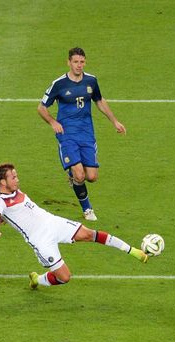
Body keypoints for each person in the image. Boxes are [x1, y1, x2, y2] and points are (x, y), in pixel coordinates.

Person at [0, 163, 147, 289]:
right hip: (40, 239)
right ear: (3, 182)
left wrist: (6, 219)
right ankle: (37, 279)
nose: (17, 180)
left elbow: (13, 212)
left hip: (52, 222)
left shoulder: (14, 190)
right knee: (64, 277)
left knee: (88, 234)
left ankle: (133, 251)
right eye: (14, 177)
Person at [37, 47, 126, 222]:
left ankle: (73, 176)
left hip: (86, 133)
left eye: (82, 62)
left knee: (91, 177)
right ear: (69, 62)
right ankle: (87, 209)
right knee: (80, 175)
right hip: (67, 134)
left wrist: (115, 121)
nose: (79, 65)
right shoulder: (59, 84)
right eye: (76, 62)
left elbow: (99, 101)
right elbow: (41, 108)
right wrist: (53, 122)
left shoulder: (91, 81)